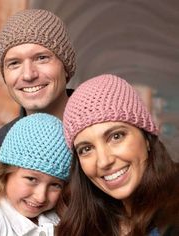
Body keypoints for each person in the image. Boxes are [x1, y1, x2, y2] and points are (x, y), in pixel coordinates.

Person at [58, 74, 179, 236]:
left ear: (147, 137)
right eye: (86, 149)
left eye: (116, 136)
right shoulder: (81, 225)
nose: (103, 161)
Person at [0, 9, 76, 181]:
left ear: (65, 67)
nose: (28, 75)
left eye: (41, 58)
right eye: (14, 63)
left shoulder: (101, 132)